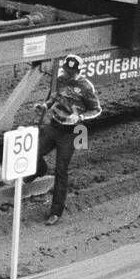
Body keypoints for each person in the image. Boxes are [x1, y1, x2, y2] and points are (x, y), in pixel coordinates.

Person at [33, 54, 102, 226]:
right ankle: (39, 170)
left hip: (71, 132)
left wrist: (80, 118)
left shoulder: (86, 87)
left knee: (61, 169)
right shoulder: (60, 79)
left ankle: (56, 212)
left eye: (71, 72)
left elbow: (96, 109)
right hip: (55, 125)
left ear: (78, 71)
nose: (68, 74)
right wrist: (45, 106)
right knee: (35, 152)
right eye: (66, 70)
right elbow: (54, 97)